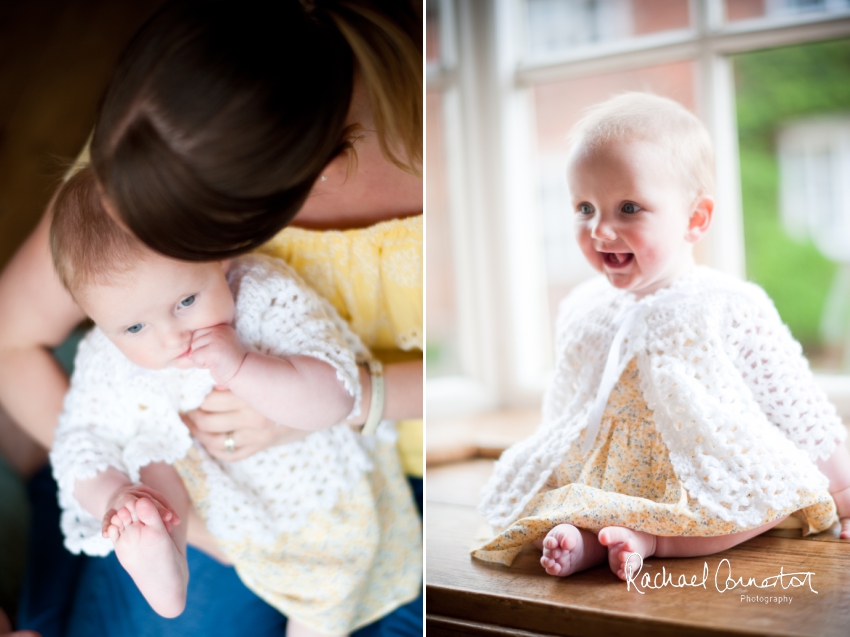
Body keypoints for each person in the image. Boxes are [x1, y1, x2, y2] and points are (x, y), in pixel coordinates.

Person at [0, 1, 423, 634]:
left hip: (385, 467)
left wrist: (348, 392)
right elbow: (12, 338)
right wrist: (175, 517)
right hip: (197, 485)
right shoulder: (156, 146)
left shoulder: (451, 164)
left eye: (186, 289)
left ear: (319, 177)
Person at [473, 92, 850, 581]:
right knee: (569, 495)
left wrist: (843, 496)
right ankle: (589, 539)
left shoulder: (726, 303)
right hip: (612, 466)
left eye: (628, 207)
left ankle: (654, 540)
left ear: (695, 219)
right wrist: (552, 460)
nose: (600, 229)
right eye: (584, 207)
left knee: (768, 496)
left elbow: (796, 404)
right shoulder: (581, 308)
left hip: (698, 465)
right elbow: (567, 402)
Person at [47, 168, 420, 635]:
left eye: (185, 300)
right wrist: (113, 496)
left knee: (323, 606)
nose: (172, 337)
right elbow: (80, 439)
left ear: (220, 257)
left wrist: (243, 366)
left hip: (313, 501)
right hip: (203, 508)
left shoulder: (261, 296)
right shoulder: (107, 357)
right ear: (99, 322)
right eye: (135, 328)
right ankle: (156, 546)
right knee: (147, 465)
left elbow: (337, 396)